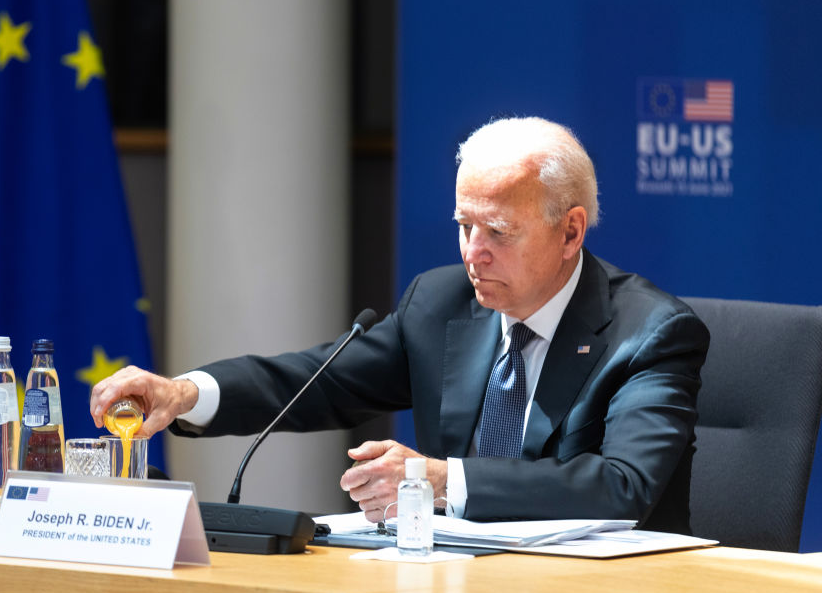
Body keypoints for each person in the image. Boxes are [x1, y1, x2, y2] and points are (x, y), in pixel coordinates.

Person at [90, 116, 710, 532]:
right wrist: (184, 393)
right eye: (464, 225)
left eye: (498, 232)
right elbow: (315, 382)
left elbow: (624, 484)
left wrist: (439, 480)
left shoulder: (648, 333)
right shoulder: (441, 303)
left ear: (571, 231)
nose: (473, 252)